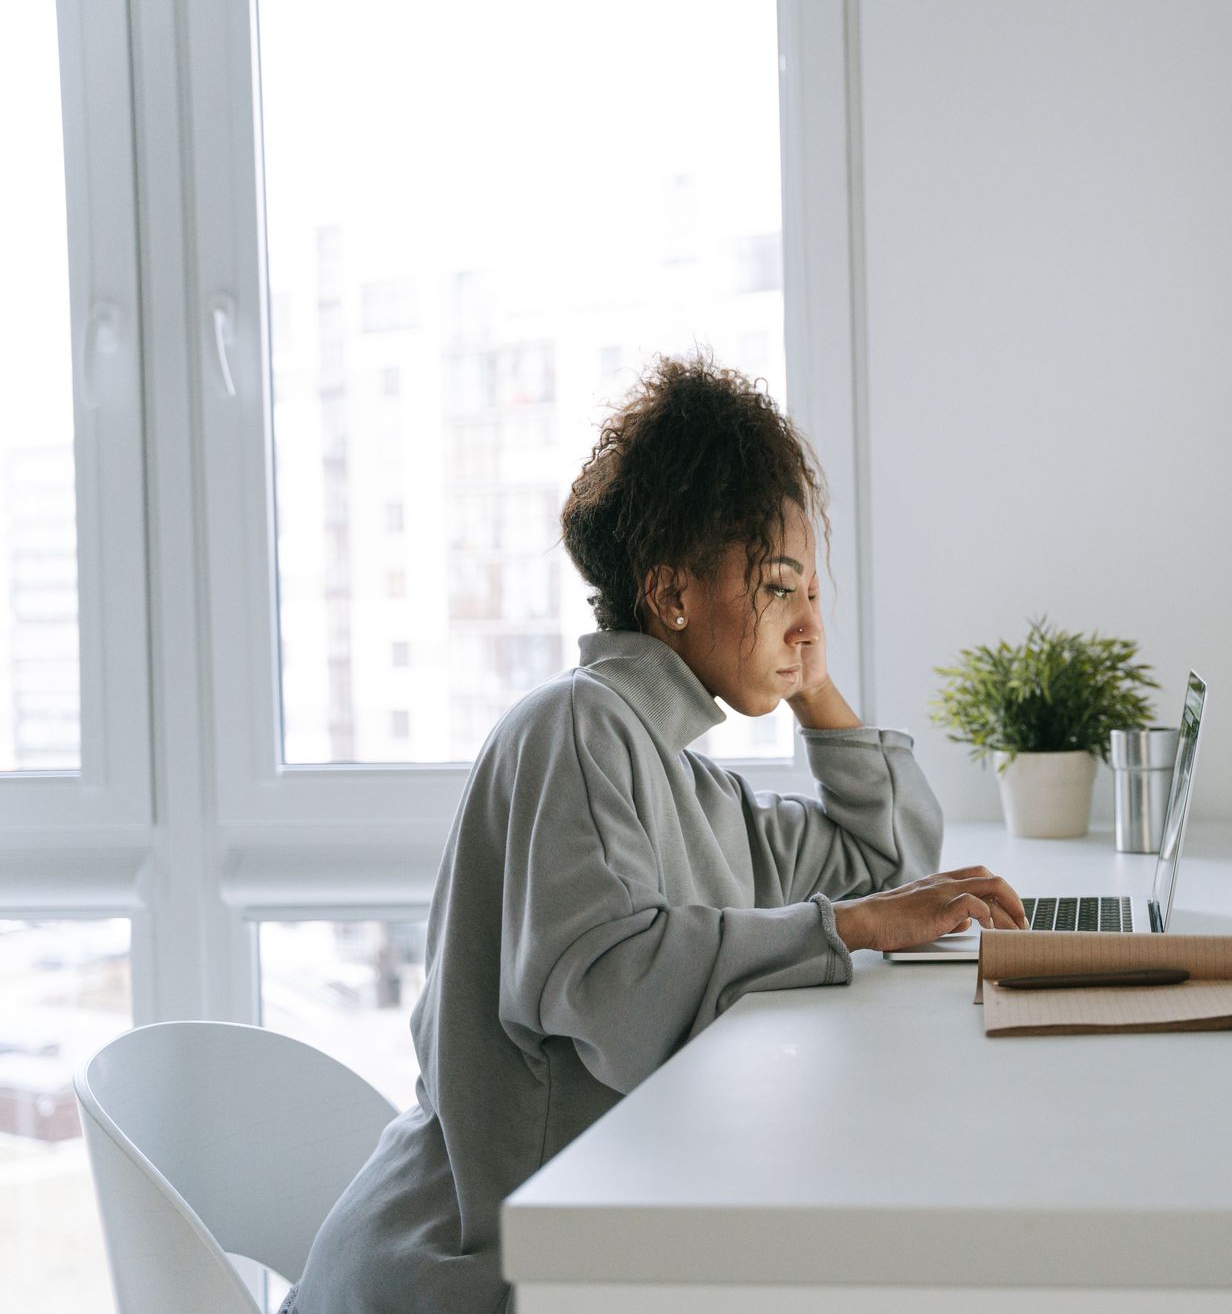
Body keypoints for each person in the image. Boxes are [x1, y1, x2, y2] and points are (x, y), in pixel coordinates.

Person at [283, 353, 1027, 1313]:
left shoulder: (683, 778)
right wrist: (841, 929)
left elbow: (884, 869)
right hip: (467, 1279)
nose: (809, 623)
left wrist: (814, 687)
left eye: (813, 593)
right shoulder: (575, 727)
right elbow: (616, 990)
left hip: (571, 1264)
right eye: (779, 586)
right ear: (673, 596)